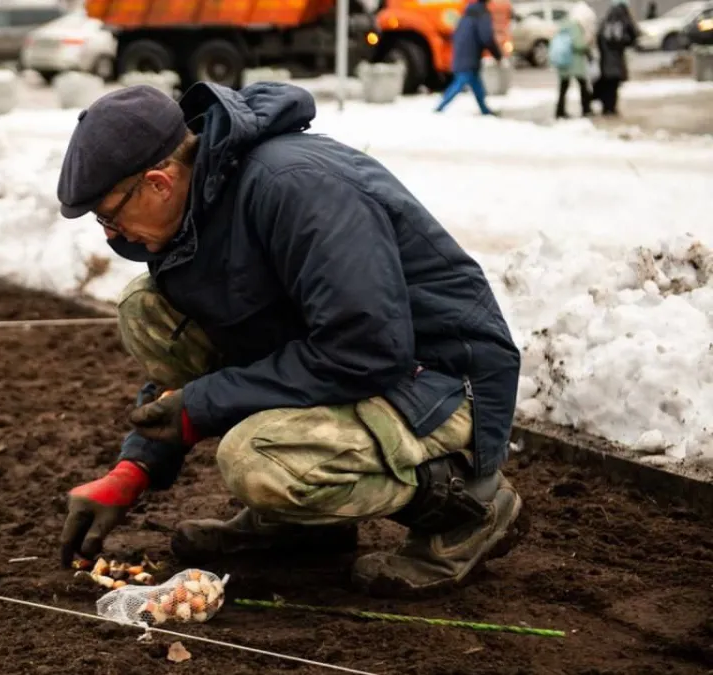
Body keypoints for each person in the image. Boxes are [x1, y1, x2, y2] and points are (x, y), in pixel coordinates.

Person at [55, 83, 527, 598]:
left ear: (158, 183)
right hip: (359, 364)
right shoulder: (200, 213)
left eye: (109, 214)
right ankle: (303, 531)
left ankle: (467, 508)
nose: (109, 233)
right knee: (146, 308)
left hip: (440, 381)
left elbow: (367, 348)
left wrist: (204, 404)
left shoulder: (296, 187)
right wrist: (134, 469)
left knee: (259, 460)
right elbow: (226, 347)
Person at [435, 0, 503, 115]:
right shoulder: (482, 14)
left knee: (476, 84)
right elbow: (487, 37)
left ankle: (485, 110)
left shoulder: (466, 13)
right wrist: (498, 55)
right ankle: (439, 108)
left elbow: (455, 35)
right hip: (470, 56)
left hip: (461, 53)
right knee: (460, 83)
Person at [552, 2, 597, 119]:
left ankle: (560, 110)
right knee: (582, 84)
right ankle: (586, 108)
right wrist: (587, 44)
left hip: (563, 60)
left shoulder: (564, 23)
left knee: (563, 87)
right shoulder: (575, 25)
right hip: (574, 62)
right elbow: (578, 44)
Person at [594, 0, 639, 116]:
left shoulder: (606, 20)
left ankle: (606, 107)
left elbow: (598, 37)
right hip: (617, 58)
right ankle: (611, 108)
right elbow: (634, 34)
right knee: (614, 85)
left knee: (607, 83)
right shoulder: (623, 20)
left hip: (605, 58)